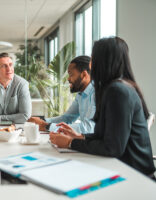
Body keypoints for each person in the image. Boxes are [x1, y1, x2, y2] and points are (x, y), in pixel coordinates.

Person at [50, 37, 156, 177]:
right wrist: (81, 137)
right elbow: (108, 135)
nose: (90, 65)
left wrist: (71, 143)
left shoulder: (118, 91)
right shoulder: (114, 88)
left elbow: (113, 148)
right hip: (121, 168)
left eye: (93, 59)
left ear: (104, 62)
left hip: (135, 177)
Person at [29, 56, 95, 134]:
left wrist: (47, 126)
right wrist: (42, 121)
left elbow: (89, 128)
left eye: (71, 74)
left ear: (84, 75)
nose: (68, 79)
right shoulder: (81, 94)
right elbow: (67, 118)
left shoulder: (96, 94)